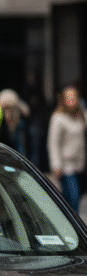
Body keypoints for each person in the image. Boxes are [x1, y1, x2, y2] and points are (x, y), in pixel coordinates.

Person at [47, 84, 87, 213]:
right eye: (69, 97)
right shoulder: (58, 118)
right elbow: (53, 143)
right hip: (66, 166)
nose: (72, 100)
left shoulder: (81, 116)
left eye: (74, 97)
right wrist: (56, 165)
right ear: (63, 100)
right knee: (73, 200)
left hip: (80, 165)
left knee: (76, 200)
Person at [0, 88, 29, 157]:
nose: (9, 115)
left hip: (16, 127)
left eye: (11, 109)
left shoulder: (19, 125)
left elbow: (26, 111)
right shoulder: (4, 99)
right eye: (6, 110)